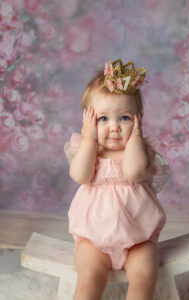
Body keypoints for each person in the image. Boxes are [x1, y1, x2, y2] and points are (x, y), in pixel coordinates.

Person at [63, 58, 170, 300]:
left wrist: (136, 138)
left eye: (124, 118)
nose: (114, 128)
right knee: (89, 282)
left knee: (144, 278)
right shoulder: (87, 148)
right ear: (88, 121)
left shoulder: (142, 149)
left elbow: (134, 173)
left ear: (138, 118)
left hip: (138, 240)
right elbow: (80, 176)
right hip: (93, 241)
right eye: (103, 119)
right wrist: (89, 139)